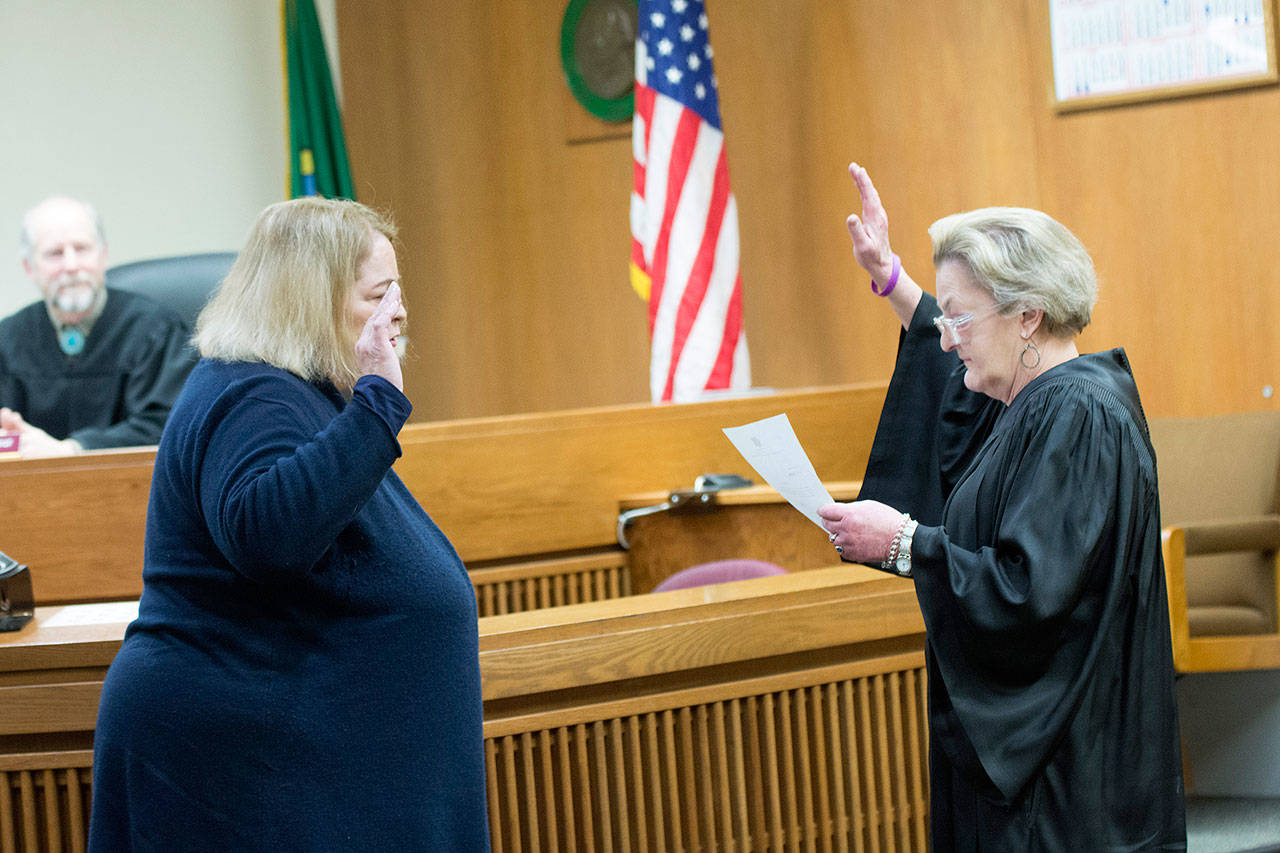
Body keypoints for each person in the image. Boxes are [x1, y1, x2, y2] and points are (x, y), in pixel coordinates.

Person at [89, 198, 489, 851]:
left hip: (293, 764)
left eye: (397, 291)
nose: (399, 312)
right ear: (312, 301)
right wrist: (378, 405)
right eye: (379, 295)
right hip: (244, 773)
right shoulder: (253, 393)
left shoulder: (295, 391)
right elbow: (268, 535)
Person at [819, 164, 1186, 850]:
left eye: (958, 316)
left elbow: (1028, 591)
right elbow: (957, 391)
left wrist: (904, 543)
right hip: (1057, 775)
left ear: (1028, 315)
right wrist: (891, 280)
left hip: (1064, 786)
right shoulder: (1039, 404)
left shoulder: (1075, 416)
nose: (947, 336)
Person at [0, 197, 195, 456]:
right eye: (54, 254)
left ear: (103, 255)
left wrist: (73, 449)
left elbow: (170, 425)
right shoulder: (8, 339)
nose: (71, 266)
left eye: (81, 249)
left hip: (132, 480)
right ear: (29, 268)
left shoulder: (155, 331)